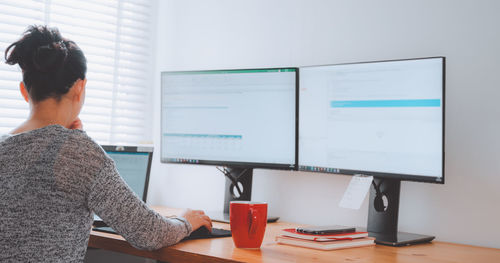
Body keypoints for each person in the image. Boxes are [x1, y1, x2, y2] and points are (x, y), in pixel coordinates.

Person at [0, 25, 212, 262]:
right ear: (80, 87)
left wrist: (74, 140)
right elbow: (148, 233)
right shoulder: (78, 152)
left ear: (24, 91)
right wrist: (186, 221)